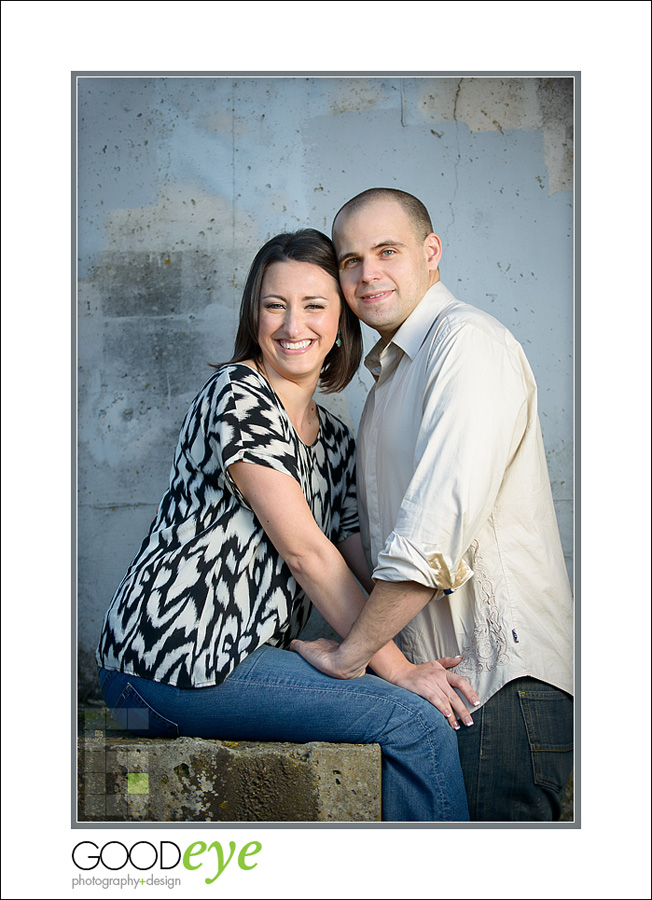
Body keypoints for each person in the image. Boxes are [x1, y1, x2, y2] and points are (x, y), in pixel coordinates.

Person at [96, 227, 476, 822]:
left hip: (233, 663)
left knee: (415, 706)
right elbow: (307, 554)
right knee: (412, 720)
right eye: (275, 305)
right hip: (160, 669)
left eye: (315, 305)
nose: (292, 325)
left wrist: (420, 635)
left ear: (341, 323)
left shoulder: (337, 440)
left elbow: (357, 558)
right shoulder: (238, 396)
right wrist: (397, 669)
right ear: (255, 314)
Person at [291, 190, 574, 822]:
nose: (368, 275)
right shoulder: (385, 386)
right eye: (350, 260)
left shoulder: (466, 345)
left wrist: (350, 652)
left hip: (502, 688)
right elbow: (367, 536)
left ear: (431, 252)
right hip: (440, 689)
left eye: (387, 251)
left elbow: (433, 533)